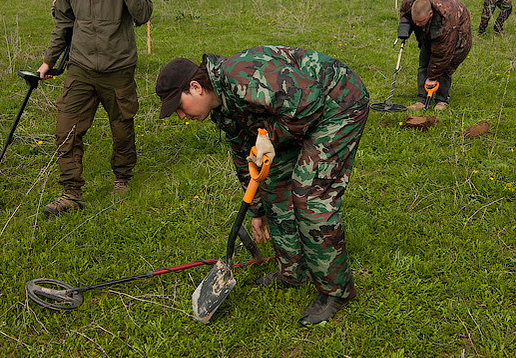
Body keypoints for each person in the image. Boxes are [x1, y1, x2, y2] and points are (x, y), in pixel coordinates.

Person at [155, 46, 370, 326]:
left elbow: (309, 103)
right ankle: (292, 272)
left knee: (309, 195)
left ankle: (335, 291)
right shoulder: (221, 106)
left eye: (179, 108)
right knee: (274, 186)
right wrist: (257, 209)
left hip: (337, 103)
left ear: (195, 87)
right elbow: (248, 157)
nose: (181, 117)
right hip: (292, 115)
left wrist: (271, 136)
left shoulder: (241, 76)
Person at [37, 0, 153, 214]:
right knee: (66, 129)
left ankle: (122, 177)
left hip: (118, 67)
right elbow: (63, 20)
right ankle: (70, 193)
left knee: (122, 127)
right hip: (80, 66)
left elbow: (143, 14)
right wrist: (49, 60)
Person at [398, 0, 472, 111]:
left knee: (445, 67)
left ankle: (442, 100)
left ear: (431, 13)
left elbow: (442, 56)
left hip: (456, 37)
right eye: (415, 20)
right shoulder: (410, 3)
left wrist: (432, 77)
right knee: (424, 63)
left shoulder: (447, 21)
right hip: (431, 32)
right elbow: (405, 14)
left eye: (420, 21)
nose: (416, 24)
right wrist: (404, 27)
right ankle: (421, 100)